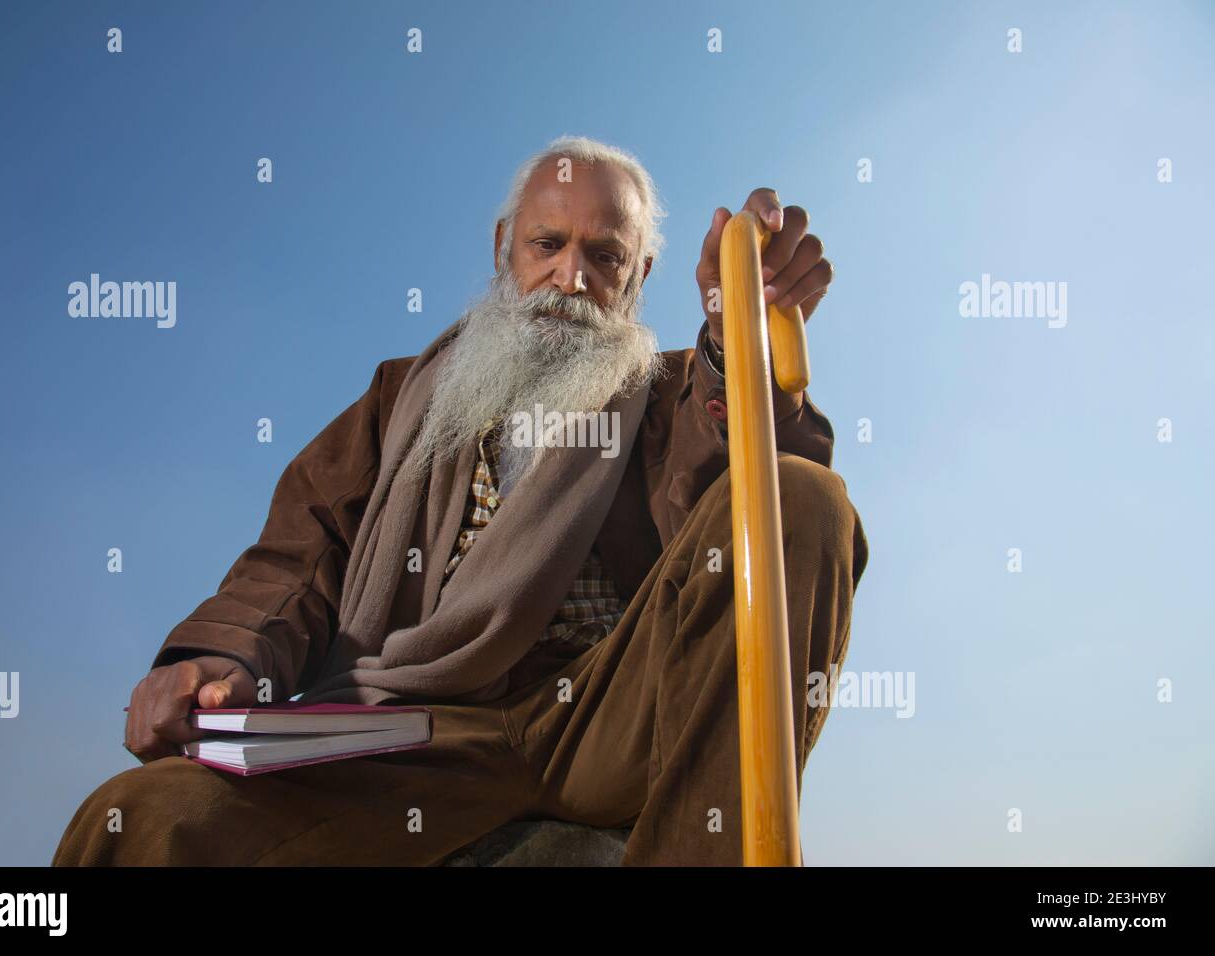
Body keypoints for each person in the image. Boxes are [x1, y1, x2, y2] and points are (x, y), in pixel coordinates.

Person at [52, 135, 869, 866]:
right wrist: (224, 659)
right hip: (415, 731)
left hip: (602, 716)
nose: (570, 277)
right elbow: (295, 564)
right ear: (503, 248)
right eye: (547, 245)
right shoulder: (398, 398)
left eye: (605, 256)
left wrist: (735, 340)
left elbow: (730, 490)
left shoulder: (673, 395)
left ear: (640, 276)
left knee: (798, 499)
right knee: (142, 819)